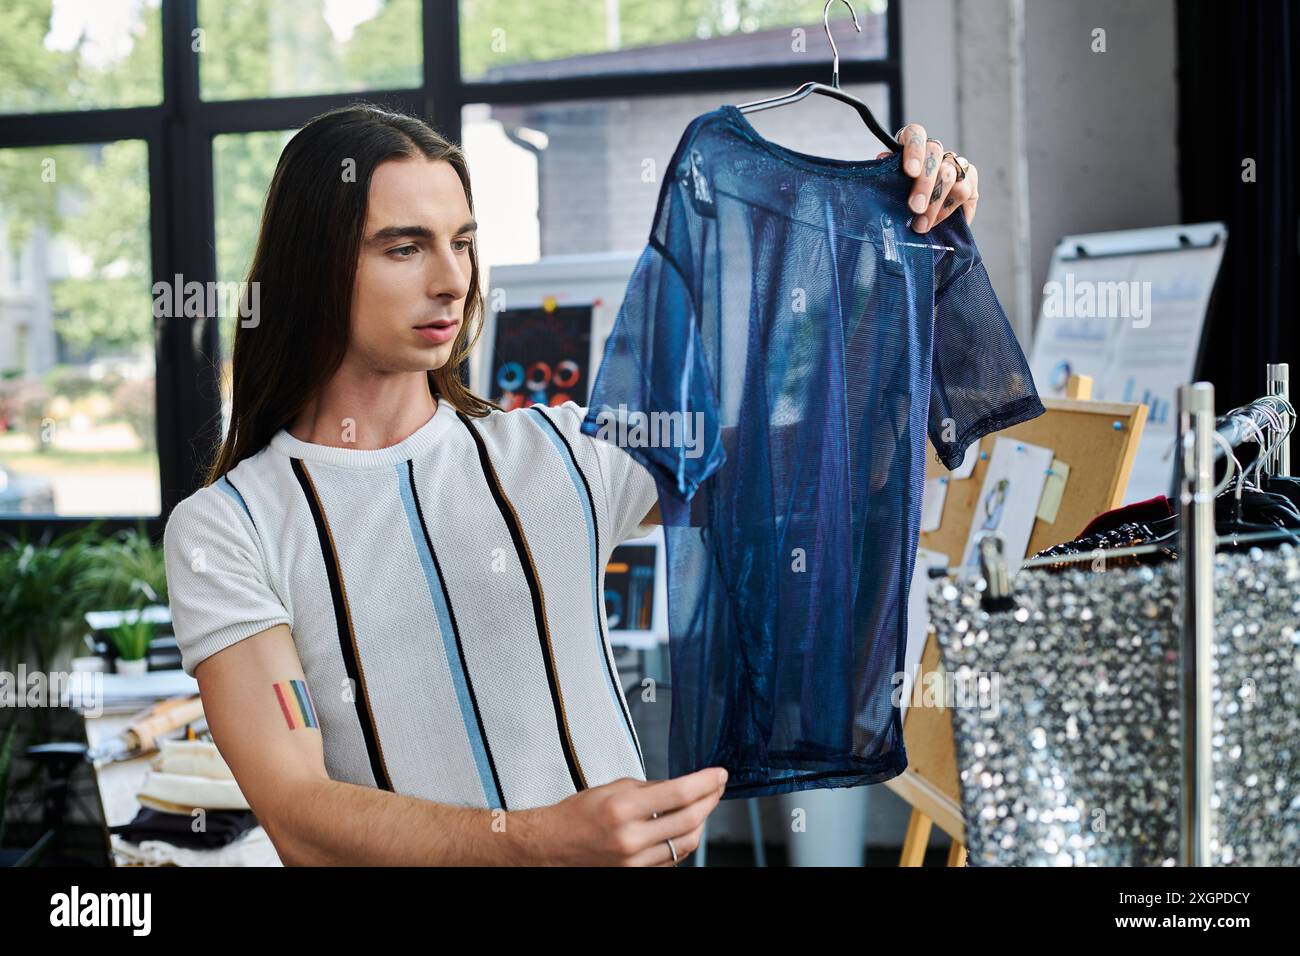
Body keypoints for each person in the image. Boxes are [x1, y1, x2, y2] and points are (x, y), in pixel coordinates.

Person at [162, 103, 979, 866]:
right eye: (404, 247)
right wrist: (536, 843)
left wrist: (908, 253)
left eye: (463, 241)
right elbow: (299, 815)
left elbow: (834, 457)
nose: (451, 280)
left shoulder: (561, 450)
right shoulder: (228, 530)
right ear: (315, 267)